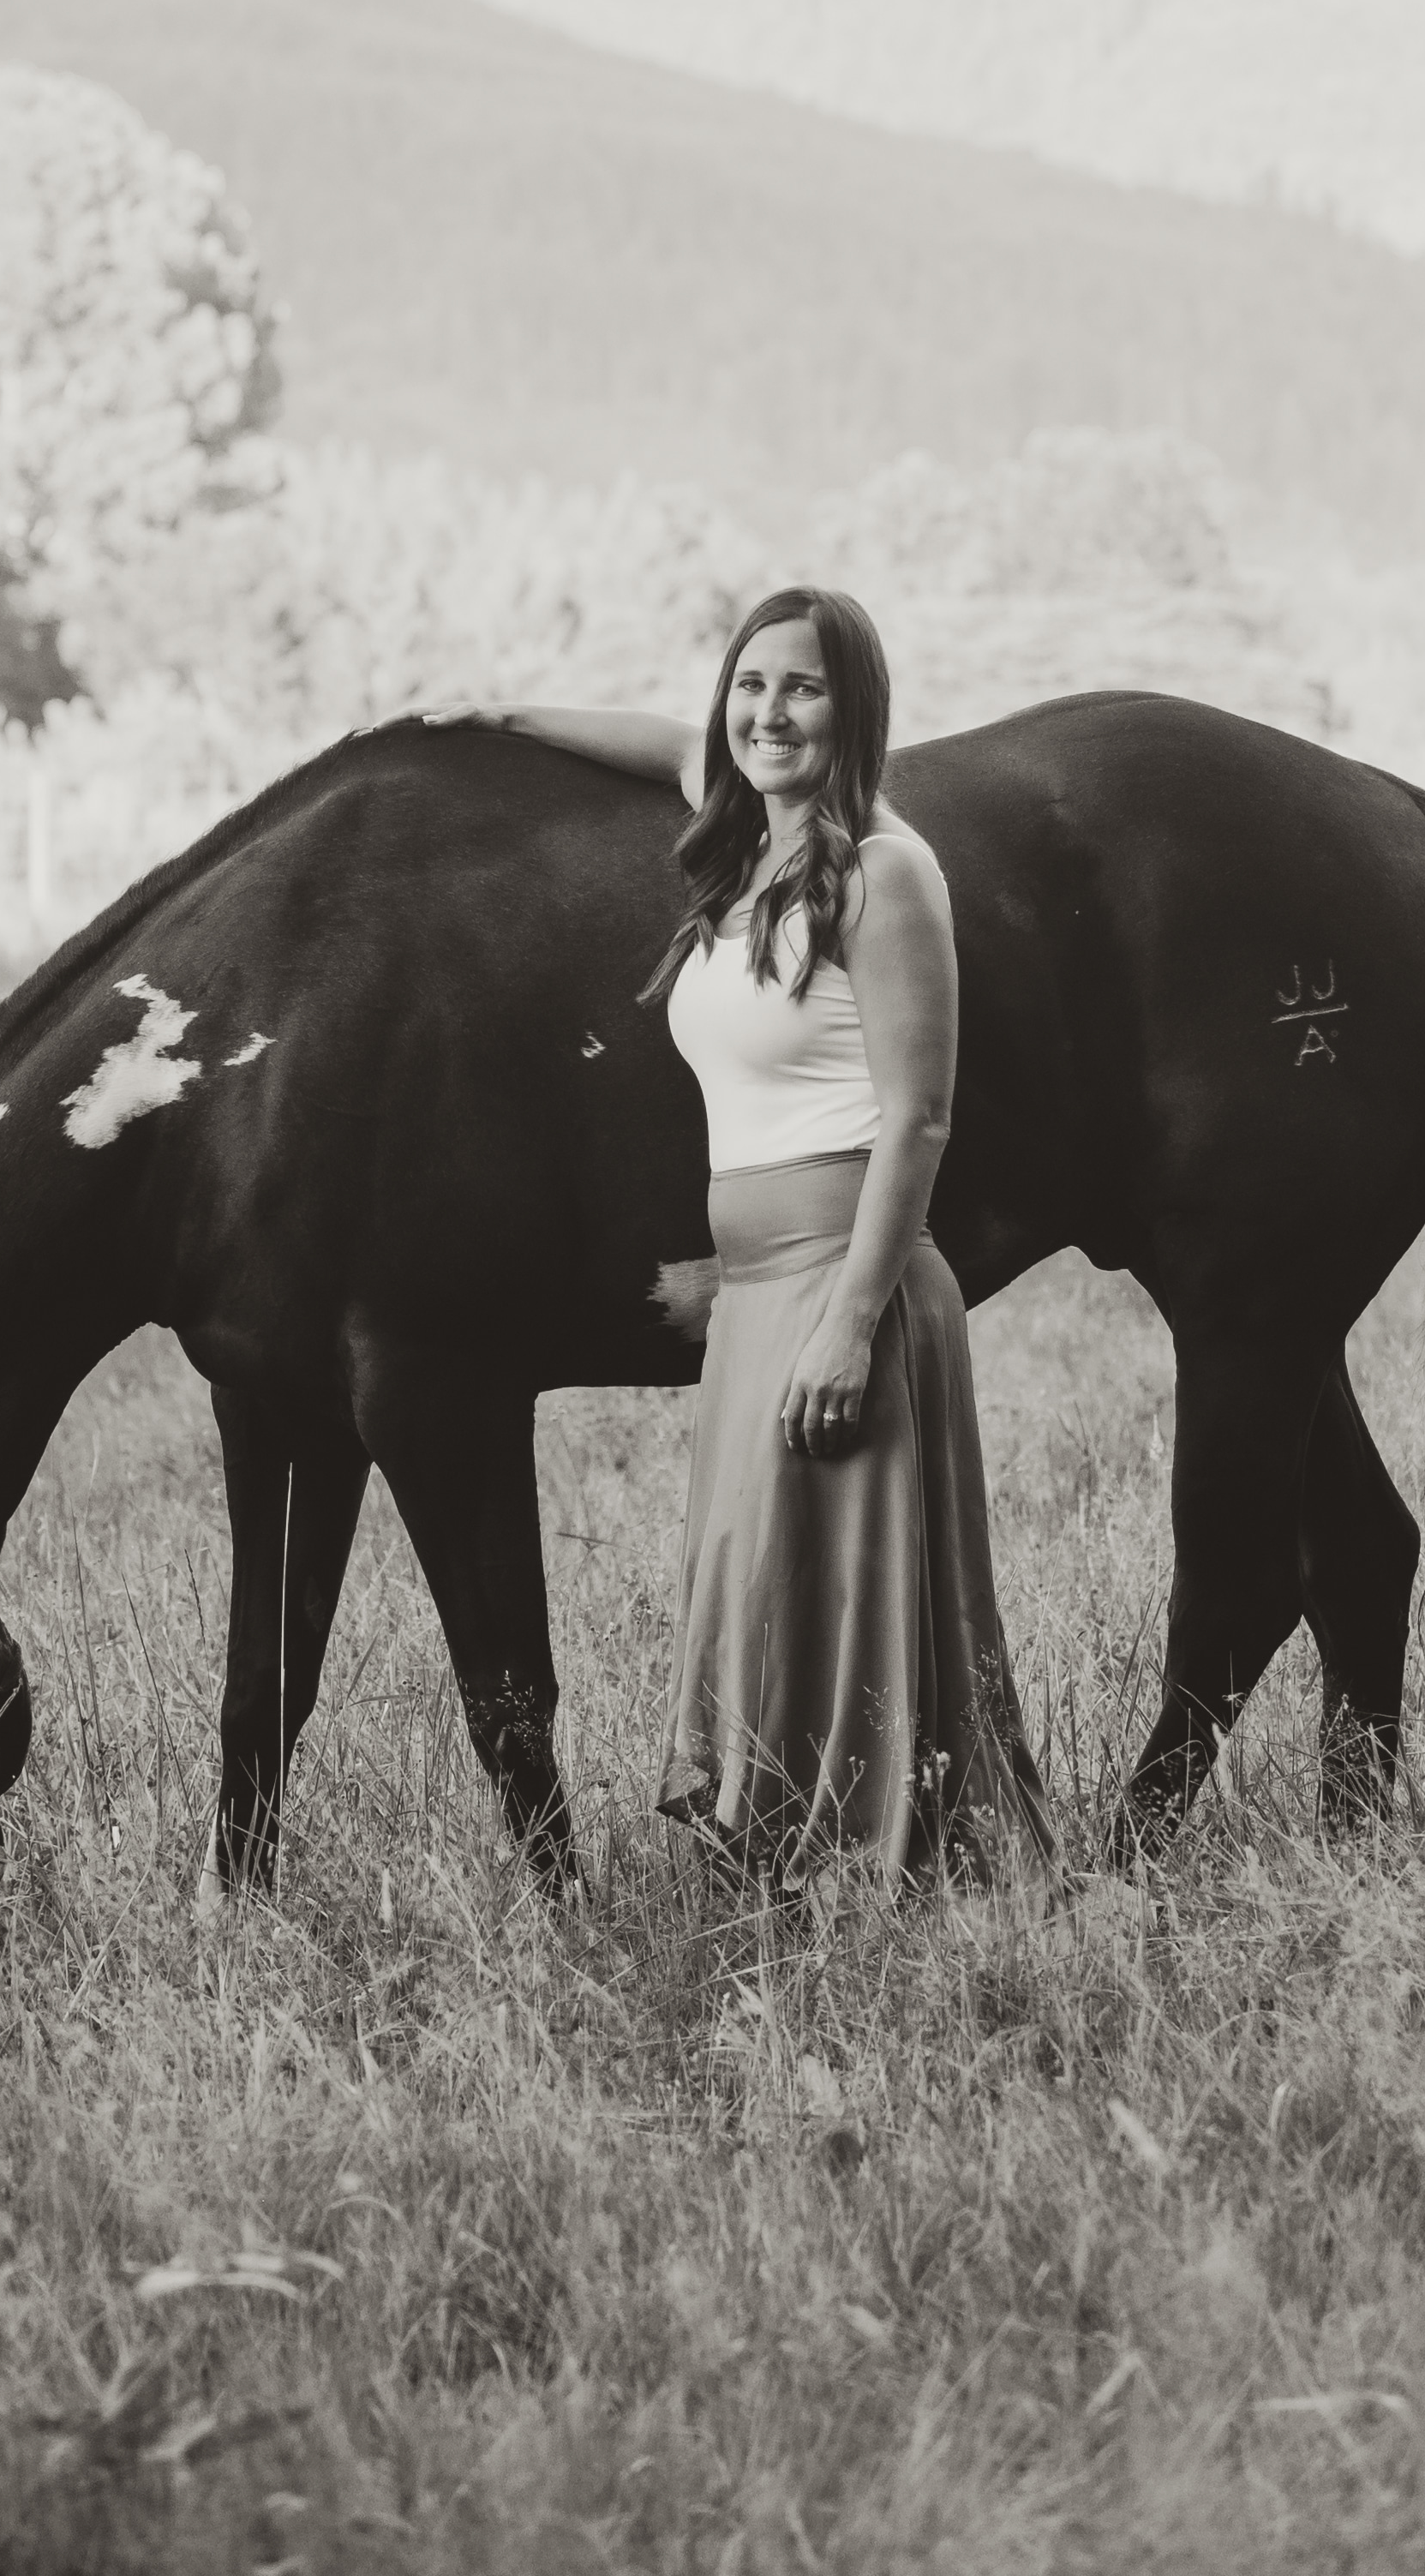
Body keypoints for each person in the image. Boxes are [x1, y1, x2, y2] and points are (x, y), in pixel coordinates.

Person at [449, 588, 1056, 1884]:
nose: (770, 713)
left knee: (850, 1594)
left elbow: (921, 1119)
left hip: (844, 1282)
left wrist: (852, 1320)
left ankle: (895, 1875)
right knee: (763, 1579)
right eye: (752, 686)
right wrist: (495, 713)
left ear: (858, 712)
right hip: (756, 1289)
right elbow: (674, 743)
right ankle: (794, 1861)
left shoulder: (885, 871)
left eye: (806, 689)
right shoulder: (752, 846)